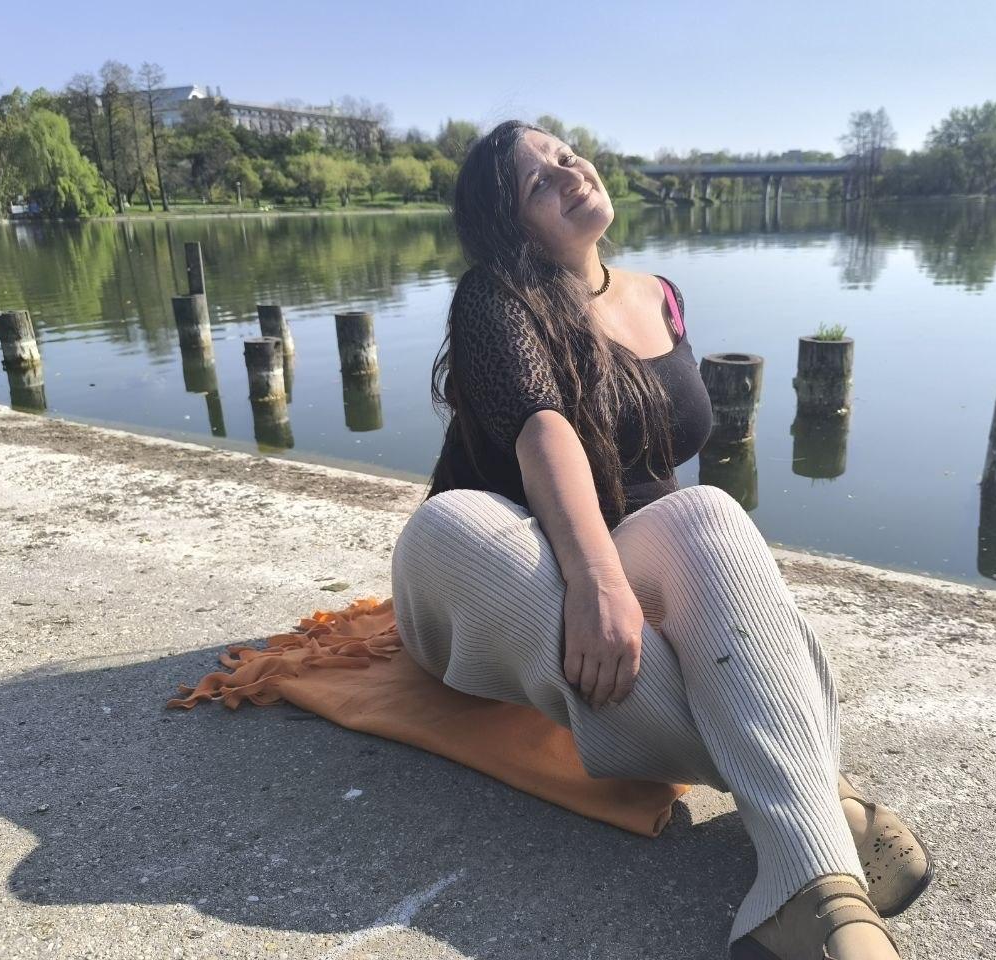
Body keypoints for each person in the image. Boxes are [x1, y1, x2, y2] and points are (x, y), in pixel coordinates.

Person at [389, 120, 931, 960]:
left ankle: (812, 893)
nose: (568, 173)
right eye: (538, 182)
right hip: (492, 561)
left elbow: (667, 473)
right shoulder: (496, 296)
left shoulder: (660, 294)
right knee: (453, 521)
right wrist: (598, 582)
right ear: (509, 224)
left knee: (707, 510)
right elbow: (542, 429)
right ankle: (824, 793)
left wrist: (636, 583)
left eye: (564, 156)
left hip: (629, 553)